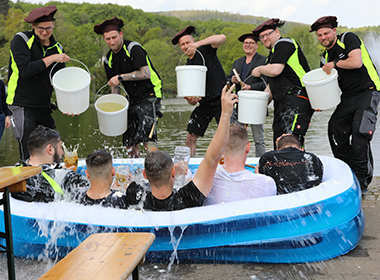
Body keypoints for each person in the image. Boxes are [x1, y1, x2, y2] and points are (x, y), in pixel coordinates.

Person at [140, 84, 238, 211]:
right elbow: (212, 159)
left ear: (144, 175)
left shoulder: (137, 197)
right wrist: (225, 114)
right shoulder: (187, 198)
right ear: (173, 173)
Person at [310, 16, 380, 191]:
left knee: (360, 133)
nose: (323, 37)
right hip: (348, 97)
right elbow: (328, 84)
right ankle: (349, 174)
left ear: (334, 31)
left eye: (326, 33)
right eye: (320, 35)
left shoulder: (348, 38)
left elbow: (356, 62)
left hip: (368, 91)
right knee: (334, 130)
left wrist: (334, 64)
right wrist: (319, 101)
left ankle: (362, 183)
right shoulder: (324, 57)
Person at [7, 5, 70, 160]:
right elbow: (25, 70)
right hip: (21, 103)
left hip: (43, 105)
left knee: (55, 146)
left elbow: (60, 79)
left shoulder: (57, 47)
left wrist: (67, 104)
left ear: (53, 25)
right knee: (28, 148)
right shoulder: (21, 40)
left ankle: (55, 177)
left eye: (48, 28)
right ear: (33, 27)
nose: (44, 32)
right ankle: (27, 180)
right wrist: (53, 58)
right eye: (40, 28)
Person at [94, 17, 163, 158]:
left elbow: (145, 73)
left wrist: (120, 77)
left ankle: (156, 169)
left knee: (147, 137)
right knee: (129, 141)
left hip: (150, 93)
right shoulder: (108, 59)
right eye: (107, 39)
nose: (111, 42)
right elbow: (115, 85)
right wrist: (115, 108)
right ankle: (134, 171)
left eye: (114, 37)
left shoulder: (133, 48)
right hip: (131, 98)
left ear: (121, 34)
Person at [251, 18, 314, 149]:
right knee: (279, 143)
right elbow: (271, 86)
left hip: (297, 99)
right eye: (261, 37)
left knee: (291, 143)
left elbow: (275, 70)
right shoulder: (272, 54)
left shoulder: (284, 43)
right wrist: (257, 106)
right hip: (282, 103)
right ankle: (282, 168)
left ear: (277, 32)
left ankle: (300, 168)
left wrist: (259, 69)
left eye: (267, 34)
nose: (264, 39)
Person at [172, 26, 226, 156]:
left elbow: (222, 37)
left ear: (193, 41)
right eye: (182, 44)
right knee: (190, 136)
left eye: (188, 42)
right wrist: (191, 99)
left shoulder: (205, 49)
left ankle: (230, 166)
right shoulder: (187, 66)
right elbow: (191, 99)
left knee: (228, 135)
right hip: (205, 103)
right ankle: (189, 165)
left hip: (222, 99)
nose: (186, 46)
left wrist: (198, 44)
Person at [11, 126, 89, 203]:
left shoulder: (15, 171)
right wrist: (65, 173)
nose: (62, 152)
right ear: (50, 149)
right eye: (61, 147)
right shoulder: (63, 176)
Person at [204, 123, 276, 206]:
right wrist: (258, 176)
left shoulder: (205, 179)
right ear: (248, 147)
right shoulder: (266, 183)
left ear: (221, 148)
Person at [228, 33, 267, 157]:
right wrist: (232, 80)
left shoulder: (263, 61)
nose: (248, 45)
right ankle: (237, 161)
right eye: (246, 43)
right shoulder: (237, 62)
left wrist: (251, 87)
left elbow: (267, 83)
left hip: (256, 104)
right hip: (240, 105)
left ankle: (260, 163)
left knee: (258, 139)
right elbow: (228, 81)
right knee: (237, 137)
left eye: (251, 43)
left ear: (256, 45)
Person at [258, 134, 323, 194]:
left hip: (283, 200)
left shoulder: (268, 157)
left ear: (278, 149)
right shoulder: (312, 158)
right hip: (311, 198)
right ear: (301, 149)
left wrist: (257, 173)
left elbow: (262, 181)